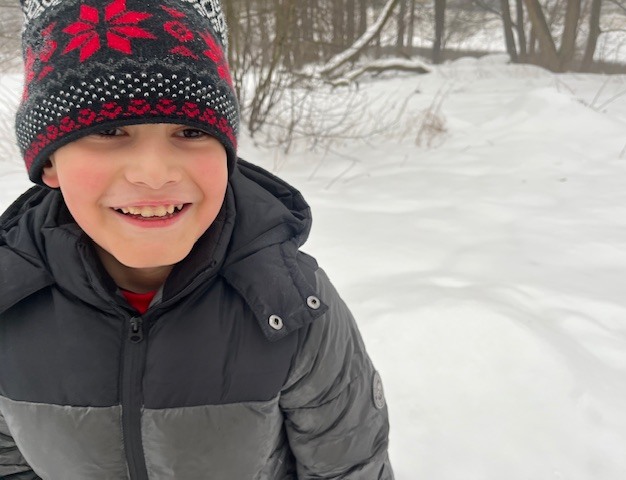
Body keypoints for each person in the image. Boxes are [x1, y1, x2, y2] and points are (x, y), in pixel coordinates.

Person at [0, 1, 393, 479]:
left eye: (189, 131)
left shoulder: (290, 307)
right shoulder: (8, 306)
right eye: (109, 130)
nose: (154, 174)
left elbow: (348, 468)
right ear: (49, 162)